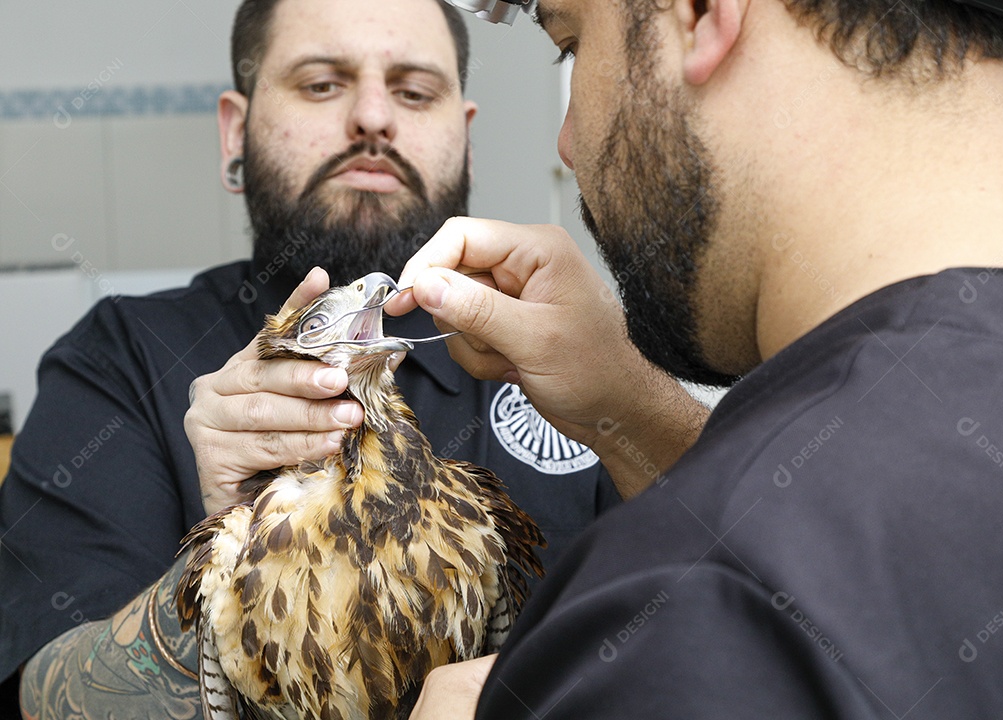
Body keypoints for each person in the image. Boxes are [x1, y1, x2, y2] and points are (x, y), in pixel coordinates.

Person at [392, 0, 1003, 717]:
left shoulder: (695, 611)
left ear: (700, 12)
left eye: (572, 44)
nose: (568, 143)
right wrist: (629, 409)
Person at [1, 0, 625, 714]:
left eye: (414, 92)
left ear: (467, 137)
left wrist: (630, 400)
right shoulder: (118, 360)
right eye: (322, 84)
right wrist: (226, 565)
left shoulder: (578, 355)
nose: (371, 118)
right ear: (236, 131)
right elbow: (39, 698)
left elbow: (737, 612)